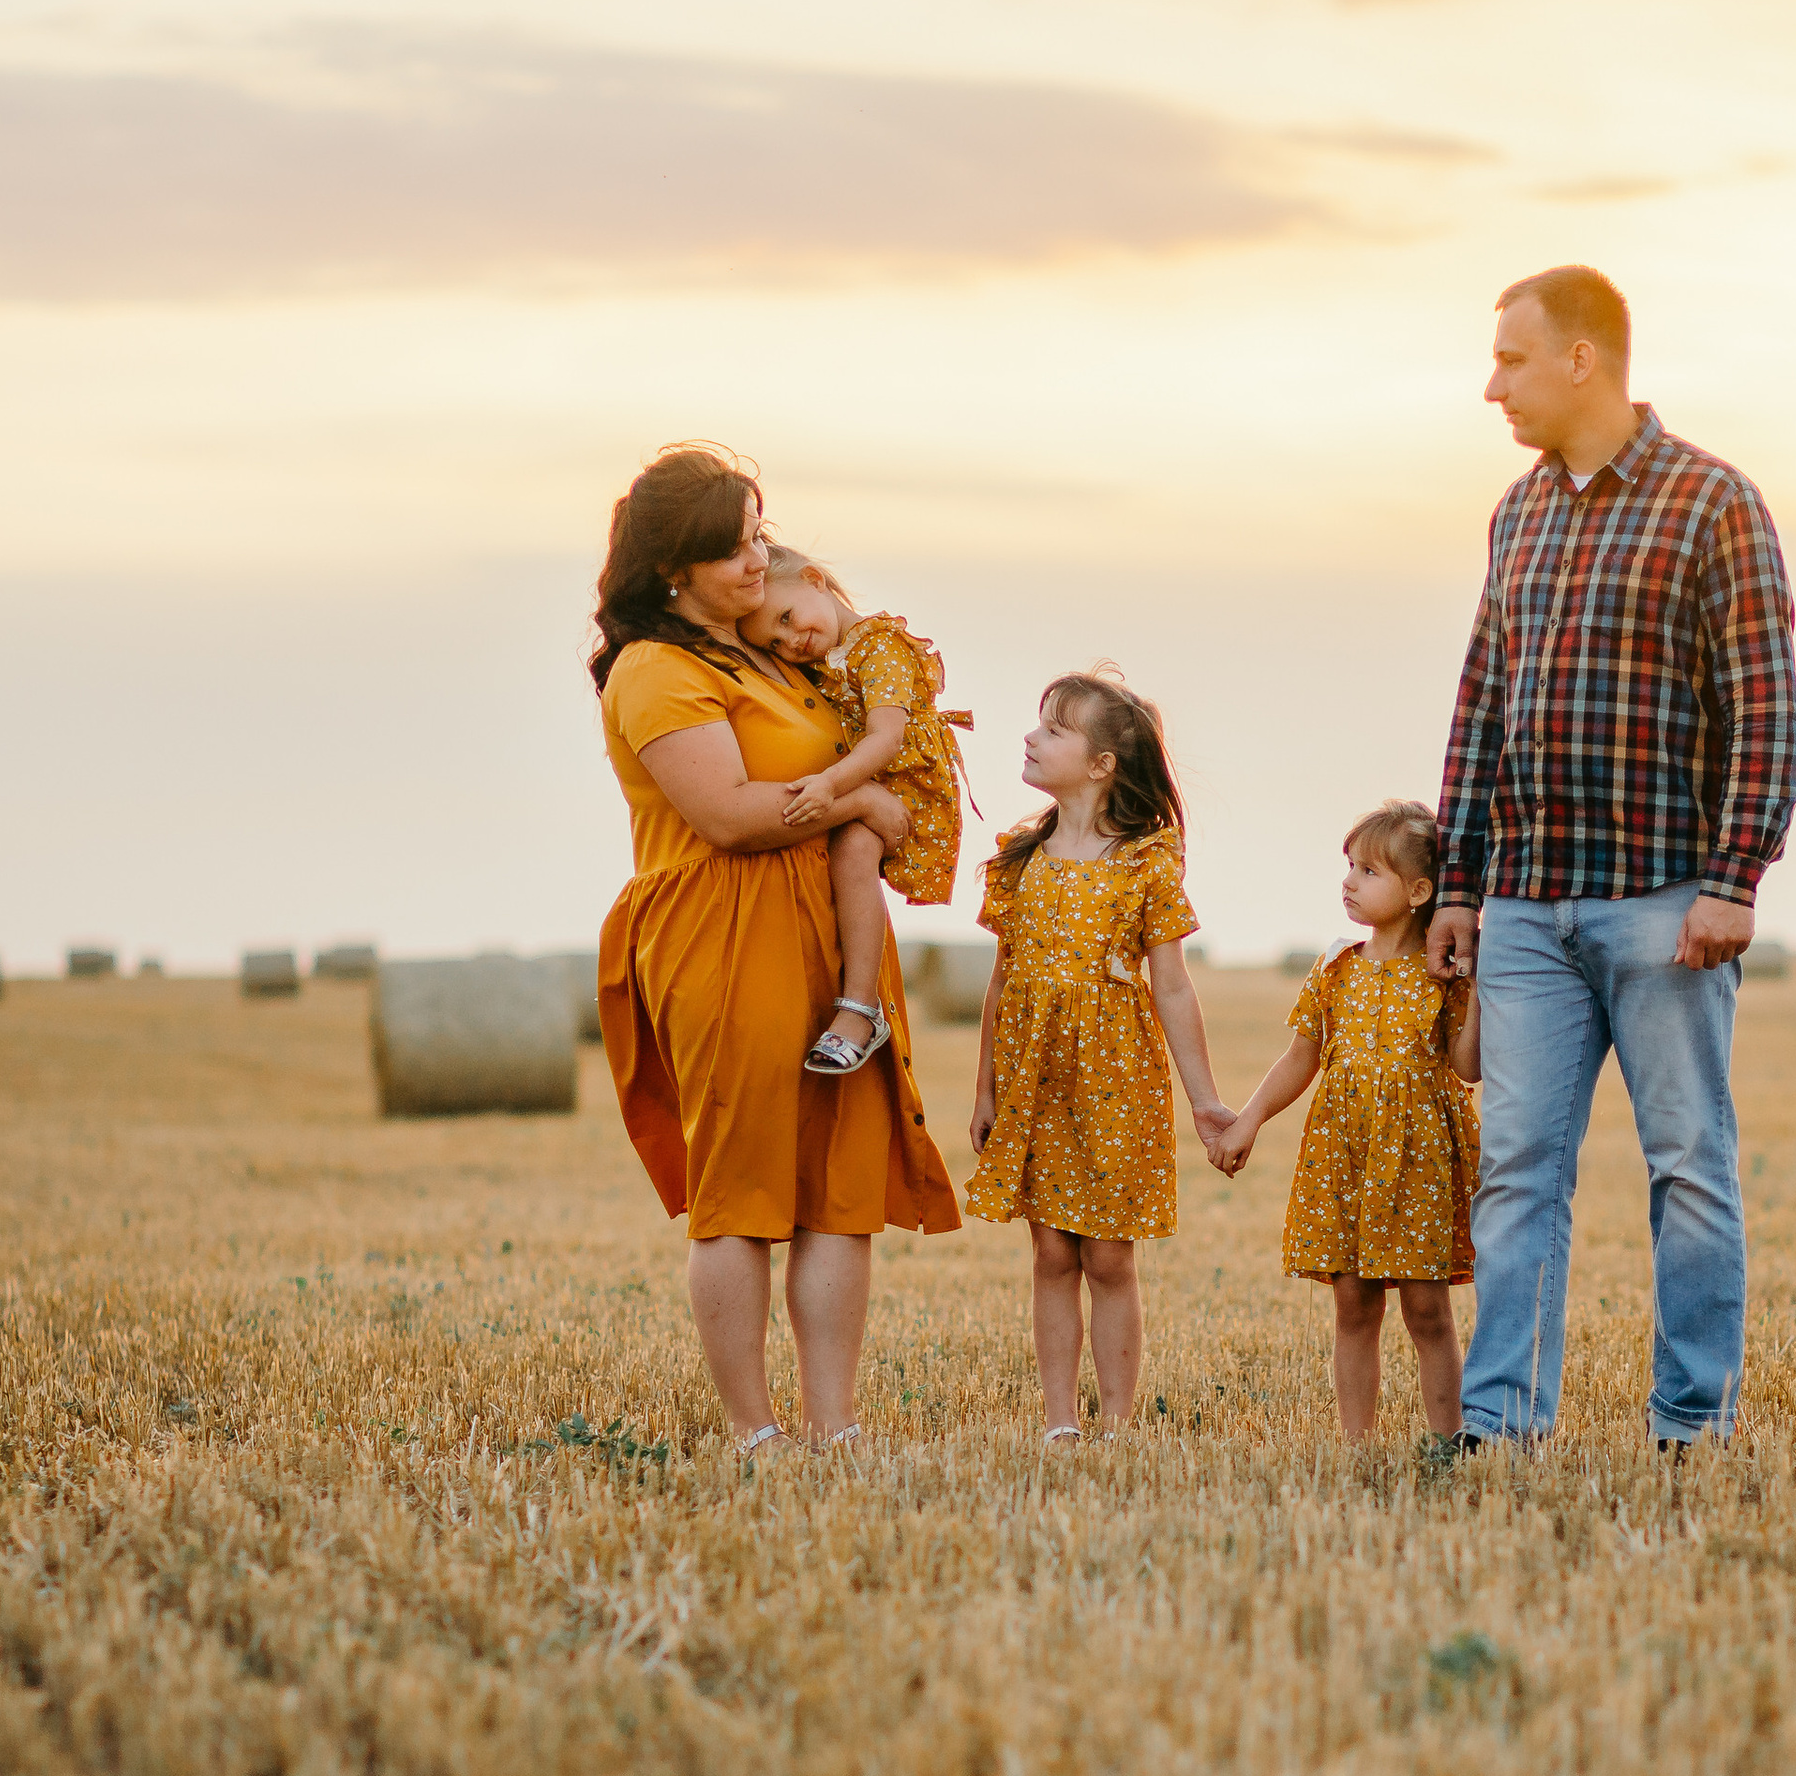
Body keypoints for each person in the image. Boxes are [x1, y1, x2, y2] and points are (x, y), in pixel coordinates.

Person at [1430, 267, 1796, 1450]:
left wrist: (1735, 876)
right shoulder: (1518, 512)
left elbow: (1765, 711)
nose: (1492, 385)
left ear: (1582, 358)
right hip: (1530, 910)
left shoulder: (1713, 505)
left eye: (1511, 359)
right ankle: (1502, 1428)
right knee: (1515, 1176)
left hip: (1664, 905)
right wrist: (1458, 881)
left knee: (1688, 1166)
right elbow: (1482, 705)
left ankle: (1690, 1427)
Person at [590, 444, 960, 1455]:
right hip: (722, 926)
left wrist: (880, 794)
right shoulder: (655, 669)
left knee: (840, 1195)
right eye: (735, 547)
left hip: (826, 928)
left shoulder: (767, 654)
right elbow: (731, 816)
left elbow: (842, 764)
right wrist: (861, 796)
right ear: (676, 568)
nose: (761, 559)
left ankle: (833, 1425)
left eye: (758, 534)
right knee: (743, 1191)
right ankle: (756, 1432)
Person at [966, 670, 1233, 1440]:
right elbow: (1000, 982)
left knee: (1109, 1259)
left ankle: (1116, 1422)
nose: (1030, 737)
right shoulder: (1019, 859)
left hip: (1116, 1077)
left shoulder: (1147, 861)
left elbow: (1174, 989)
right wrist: (984, 1091)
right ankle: (1060, 1422)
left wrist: (1205, 1099)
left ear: (1101, 765)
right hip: (1033, 1079)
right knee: (1052, 1252)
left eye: (1053, 729)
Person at [1213, 802, 1481, 1443]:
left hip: (1418, 1157)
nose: (1350, 881)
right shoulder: (1336, 967)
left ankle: (1449, 1442)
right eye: (1349, 867)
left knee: (1426, 1307)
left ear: (1419, 892)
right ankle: (1357, 1443)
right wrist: (1247, 1120)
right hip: (1345, 1150)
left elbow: (1467, 1067)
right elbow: (1301, 1055)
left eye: (1369, 870)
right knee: (1354, 1301)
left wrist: (1483, 991)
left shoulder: (1443, 977)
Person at [738, 547, 973, 1077]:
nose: (790, 642)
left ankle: (860, 1008)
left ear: (816, 580)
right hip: (862, 782)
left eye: (786, 618)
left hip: (901, 789)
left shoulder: (880, 645)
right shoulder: (826, 658)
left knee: (853, 848)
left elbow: (886, 738)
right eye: (775, 642)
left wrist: (830, 784)